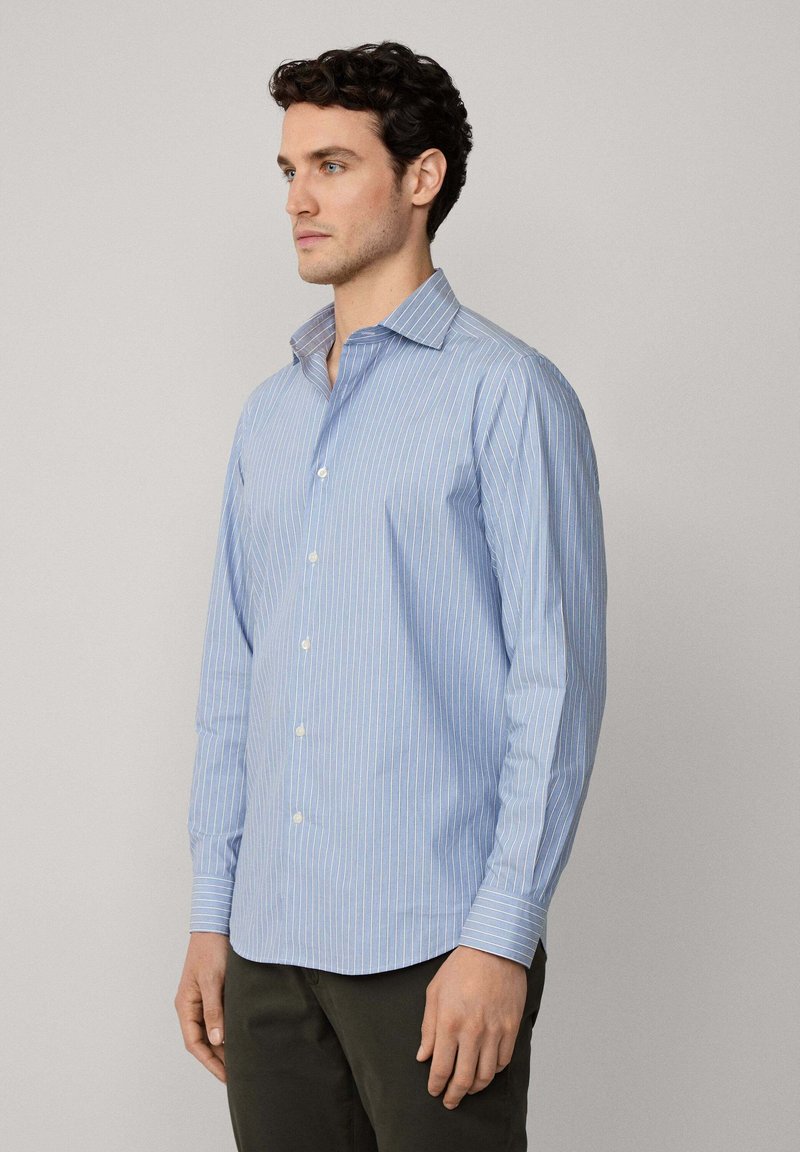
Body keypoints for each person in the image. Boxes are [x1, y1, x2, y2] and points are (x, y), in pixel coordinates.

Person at [174, 39, 607, 1152]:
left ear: (421, 178)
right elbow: (234, 677)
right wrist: (213, 916)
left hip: (432, 947)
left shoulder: (507, 394)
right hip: (267, 948)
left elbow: (555, 685)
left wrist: (500, 937)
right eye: (288, 171)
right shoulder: (269, 416)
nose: (298, 200)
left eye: (331, 165)